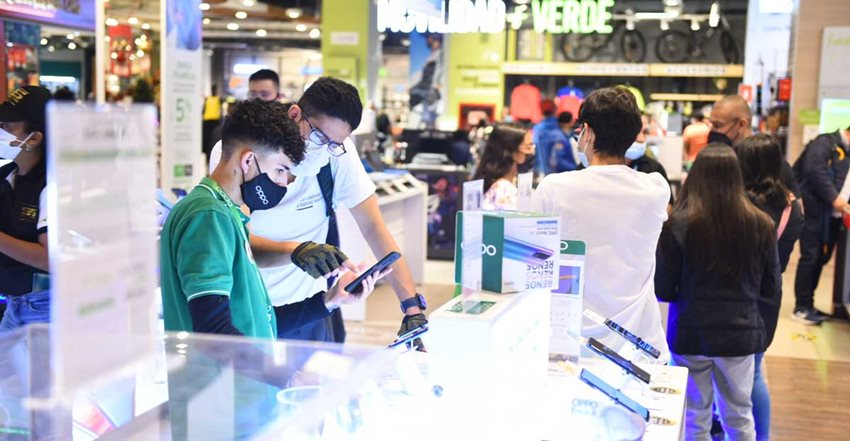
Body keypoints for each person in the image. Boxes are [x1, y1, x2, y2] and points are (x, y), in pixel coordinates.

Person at [210, 77, 429, 343]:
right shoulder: (243, 152)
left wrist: (412, 308)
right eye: (319, 137)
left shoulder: (337, 153)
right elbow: (234, 240)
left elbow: (374, 226)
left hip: (310, 310)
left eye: (333, 144)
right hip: (251, 311)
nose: (324, 149)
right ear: (295, 114)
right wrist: (297, 250)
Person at [160, 99, 386, 338]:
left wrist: (330, 300)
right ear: (248, 160)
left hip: (238, 374)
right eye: (281, 169)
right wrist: (274, 371)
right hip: (222, 376)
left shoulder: (227, 215)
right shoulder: (208, 215)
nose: (285, 182)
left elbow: (260, 324)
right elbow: (214, 332)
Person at [530, 87, 671, 358]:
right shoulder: (655, 189)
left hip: (570, 341)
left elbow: (532, 263)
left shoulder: (554, 188)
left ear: (589, 133)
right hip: (640, 346)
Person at [655, 144, 781, 441]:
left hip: (689, 333)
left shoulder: (678, 225)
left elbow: (663, 288)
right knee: (739, 415)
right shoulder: (761, 224)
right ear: (736, 177)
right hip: (739, 334)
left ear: (695, 177)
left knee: (693, 417)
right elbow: (770, 287)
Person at [736, 134, 804, 441]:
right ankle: (761, 436)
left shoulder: (745, 204)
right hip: (769, 294)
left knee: (740, 375)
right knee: (755, 371)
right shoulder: (792, 206)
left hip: (739, 292)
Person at [0, 86, 52, 331]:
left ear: (34, 138)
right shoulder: (8, 174)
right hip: (14, 304)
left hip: (43, 307)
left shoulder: (51, 185)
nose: (0, 132)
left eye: (8, 127)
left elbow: (49, 259)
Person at [791, 126, 850, 325]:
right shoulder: (825, 143)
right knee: (811, 256)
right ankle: (801, 307)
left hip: (832, 215)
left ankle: (809, 304)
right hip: (814, 211)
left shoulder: (844, 149)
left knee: (821, 257)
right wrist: (834, 198)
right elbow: (814, 171)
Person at [709, 95, 800, 197]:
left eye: (718, 125)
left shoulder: (767, 156)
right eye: (711, 124)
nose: (712, 130)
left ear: (741, 124)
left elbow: (795, 201)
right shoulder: (717, 157)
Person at [472, 124, 534, 211]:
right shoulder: (504, 189)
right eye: (528, 147)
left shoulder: (498, 184)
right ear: (511, 151)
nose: (532, 151)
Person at [627, 114, 673, 207]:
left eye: (644, 132)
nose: (641, 138)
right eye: (636, 132)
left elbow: (669, 205)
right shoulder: (607, 165)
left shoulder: (654, 168)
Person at [533, 102, 576, 176]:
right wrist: (576, 168)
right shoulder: (560, 128)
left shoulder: (537, 129)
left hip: (542, 171)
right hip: (563, 173)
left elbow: (535, 151)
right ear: (555, 110)